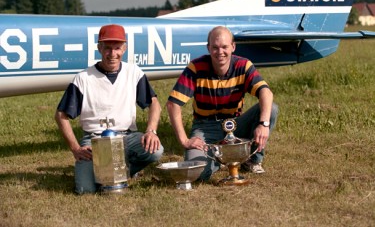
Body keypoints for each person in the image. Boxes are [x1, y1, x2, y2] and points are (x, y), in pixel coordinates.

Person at [55, 24, 163, 194]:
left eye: (117, 48)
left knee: (155, 150)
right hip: (94, 141)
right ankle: (104, 172)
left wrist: (151, 131)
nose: (113, 54)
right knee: (86, 190)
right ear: (99, 48)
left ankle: (123, 170)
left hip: (126, 136)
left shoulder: (133, 72)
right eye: (107, 48)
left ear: (124, 48)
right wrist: (75, 148)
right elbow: (61, 115)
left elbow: (154, 103)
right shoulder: (83, 78)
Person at [166, 26, 278, 181]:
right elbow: (173, 104)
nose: (220, 52)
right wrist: (185, 141)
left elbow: (266, 92)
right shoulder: (196, 67)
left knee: (270, 109)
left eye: (225, 47)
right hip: (205, 127)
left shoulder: (243, 65)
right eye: (215, 47)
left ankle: (252, 160)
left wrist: (263, 124)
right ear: (208, 48)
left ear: (233, 47)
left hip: (235, 124)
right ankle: (221, 159)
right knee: (198, 174)